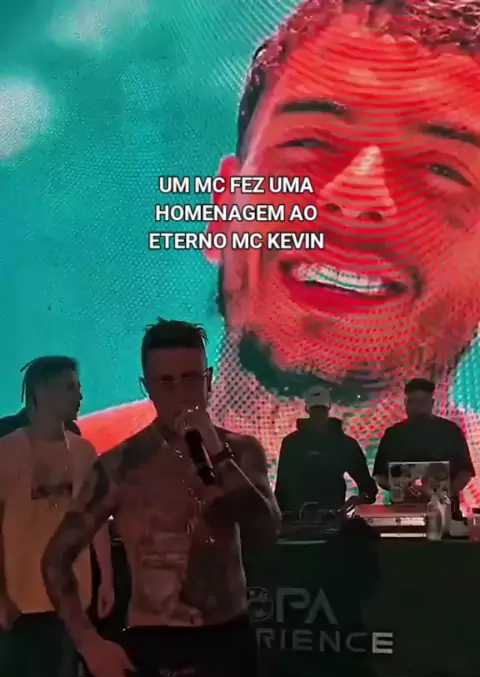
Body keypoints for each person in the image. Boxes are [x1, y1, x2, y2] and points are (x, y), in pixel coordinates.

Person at [76, 0, 480, 514]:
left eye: (440, 171)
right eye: (310, 142)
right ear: (223, 210)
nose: (357, 194)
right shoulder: (62, 478)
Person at [41, 319, 280, 677]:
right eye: (166, 381)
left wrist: (215, 455)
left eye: (191, 378)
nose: (181, 393)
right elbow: (55, 559)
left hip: (226, 648)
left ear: (210, 379)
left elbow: (267, 534)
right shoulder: (121, 465)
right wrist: (89, 643)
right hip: (154, 649)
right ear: (146, 386)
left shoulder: (241, 453)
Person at [0, 356, 114, 677]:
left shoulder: (84, 452)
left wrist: (105, 578)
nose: (80, 395)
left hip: (68, 597)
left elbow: (95, 520)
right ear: (42, 393)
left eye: (78, 386)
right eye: (70, 387)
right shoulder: (6, 451)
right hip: (15, 598)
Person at [275, 385, 377, 514]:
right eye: (317, 410)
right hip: (322, 515)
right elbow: (369, 490)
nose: (318, 416)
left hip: (306, 516)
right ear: (329, 407)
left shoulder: (292, 442)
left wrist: (359, 499)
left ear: (307, 409)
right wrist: (359, 499)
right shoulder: (344, 443)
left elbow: (282, 488)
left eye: (320, 410)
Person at [372, 378, 475, 505]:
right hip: (403, 509)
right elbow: (380, 475)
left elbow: (465, 472)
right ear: (406, 403)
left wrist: (447, 494)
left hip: (445, 508)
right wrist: (401, 490)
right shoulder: (393, 434)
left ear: (432, 403)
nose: (419, 407)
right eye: (414, 402)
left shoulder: (451, 431)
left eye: (423, 401)